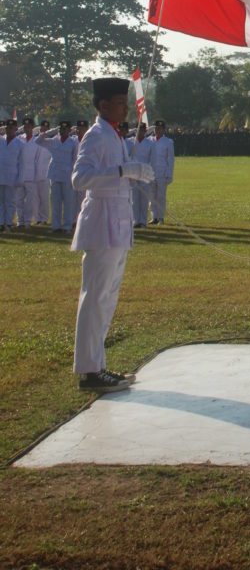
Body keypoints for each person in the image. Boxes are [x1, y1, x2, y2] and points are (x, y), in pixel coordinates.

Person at [71, 77, 154, 392]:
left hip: (118, 224)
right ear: (104, 105)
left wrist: (131, 174)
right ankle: (90, 372)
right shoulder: (96, 136)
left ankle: (98, 364)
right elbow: (81, 179)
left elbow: (115, 177)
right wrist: (122, 171)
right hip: (102, 224)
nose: (126, 107)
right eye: (121, 102)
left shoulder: (115, 136)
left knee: (106, 298)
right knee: (94, 298)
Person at [36, 121, 78, 233]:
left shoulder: (73, 142)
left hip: (67, 175)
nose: (62, 131)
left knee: (68, 202)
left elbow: (75, 159)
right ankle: (56, 226)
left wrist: (73, 174)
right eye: (61, 129)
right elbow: (38, 141)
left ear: (69, 130)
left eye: (64, 129)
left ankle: (67, 226)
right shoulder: (54, 140)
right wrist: (52, 131)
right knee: (55, 202)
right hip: (55, 174)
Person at [148, 120, 174, 225]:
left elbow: (170, 159)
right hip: (151, 171)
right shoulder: (149, 140)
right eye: (155, 128)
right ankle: (154, 217)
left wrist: (169, 174)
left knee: (161, 196)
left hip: (162, 172)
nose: (157, 130)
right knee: (152, 196)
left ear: (163, 129)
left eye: (159, 128)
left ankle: (161, 217)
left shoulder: (168, 142)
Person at [16, 116, 40, 227]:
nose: (27, 128)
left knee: (30, 200)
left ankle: (27, 221)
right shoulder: (19, 139)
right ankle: (20, 220)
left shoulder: (37, 141)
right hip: (20, 173)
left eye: (29, 126)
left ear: (33, 127)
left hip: (31, 174)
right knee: (19, 199)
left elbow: (38, 159)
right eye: (25, 127)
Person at [131, 122, 155, 228]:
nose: (140, 132)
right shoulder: (130, 142)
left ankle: (143, 221)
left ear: (145, 131)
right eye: (138, 130)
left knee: (144, 199)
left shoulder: (150, 143)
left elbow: (152, 159)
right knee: (134, 199)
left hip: (145, 173)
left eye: (142, 130)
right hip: (134, 173)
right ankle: (135, 220)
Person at [0, 118, 22, 230]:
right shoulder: (1, 140)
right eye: (8, 128)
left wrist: (20, 178)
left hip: (12, 175)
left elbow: (21, 163)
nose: (9, 130)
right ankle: (1, 222)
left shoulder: (19, 143)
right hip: (1, 174)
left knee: (10, 201)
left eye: (12, 128)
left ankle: (8, 222)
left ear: (16, 129)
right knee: (0, 200)